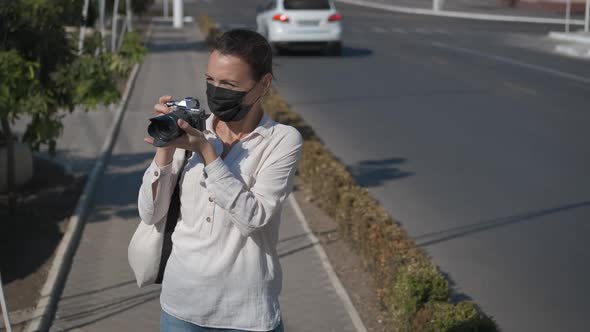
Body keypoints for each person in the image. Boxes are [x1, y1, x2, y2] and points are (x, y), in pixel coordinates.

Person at [138, 29, 303, 332]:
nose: (216, 91)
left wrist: (206, 153)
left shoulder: (281, 141)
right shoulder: (193, 128)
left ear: (263, 84)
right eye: (210, 81)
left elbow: (254, 218)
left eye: (229, 84)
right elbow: (150, 213)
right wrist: (165, 149)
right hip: (180, 308)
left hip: (246, 315)